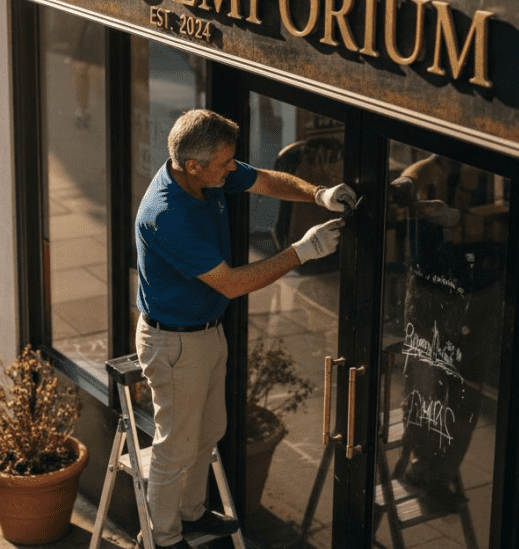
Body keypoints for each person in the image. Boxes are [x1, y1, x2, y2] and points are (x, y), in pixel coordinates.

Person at [135, 109, 358, 549]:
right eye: (223, 164)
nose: (231, 169)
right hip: (175, 343)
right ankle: (160, 539)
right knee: (174, 447)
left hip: (204, 331)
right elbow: (233, 283)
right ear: (193, 165)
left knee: (208, 431)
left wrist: (319, 194)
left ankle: (192, 515)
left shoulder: (206, 173)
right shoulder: (166, 216)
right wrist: (302, 251)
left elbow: (265, 181)